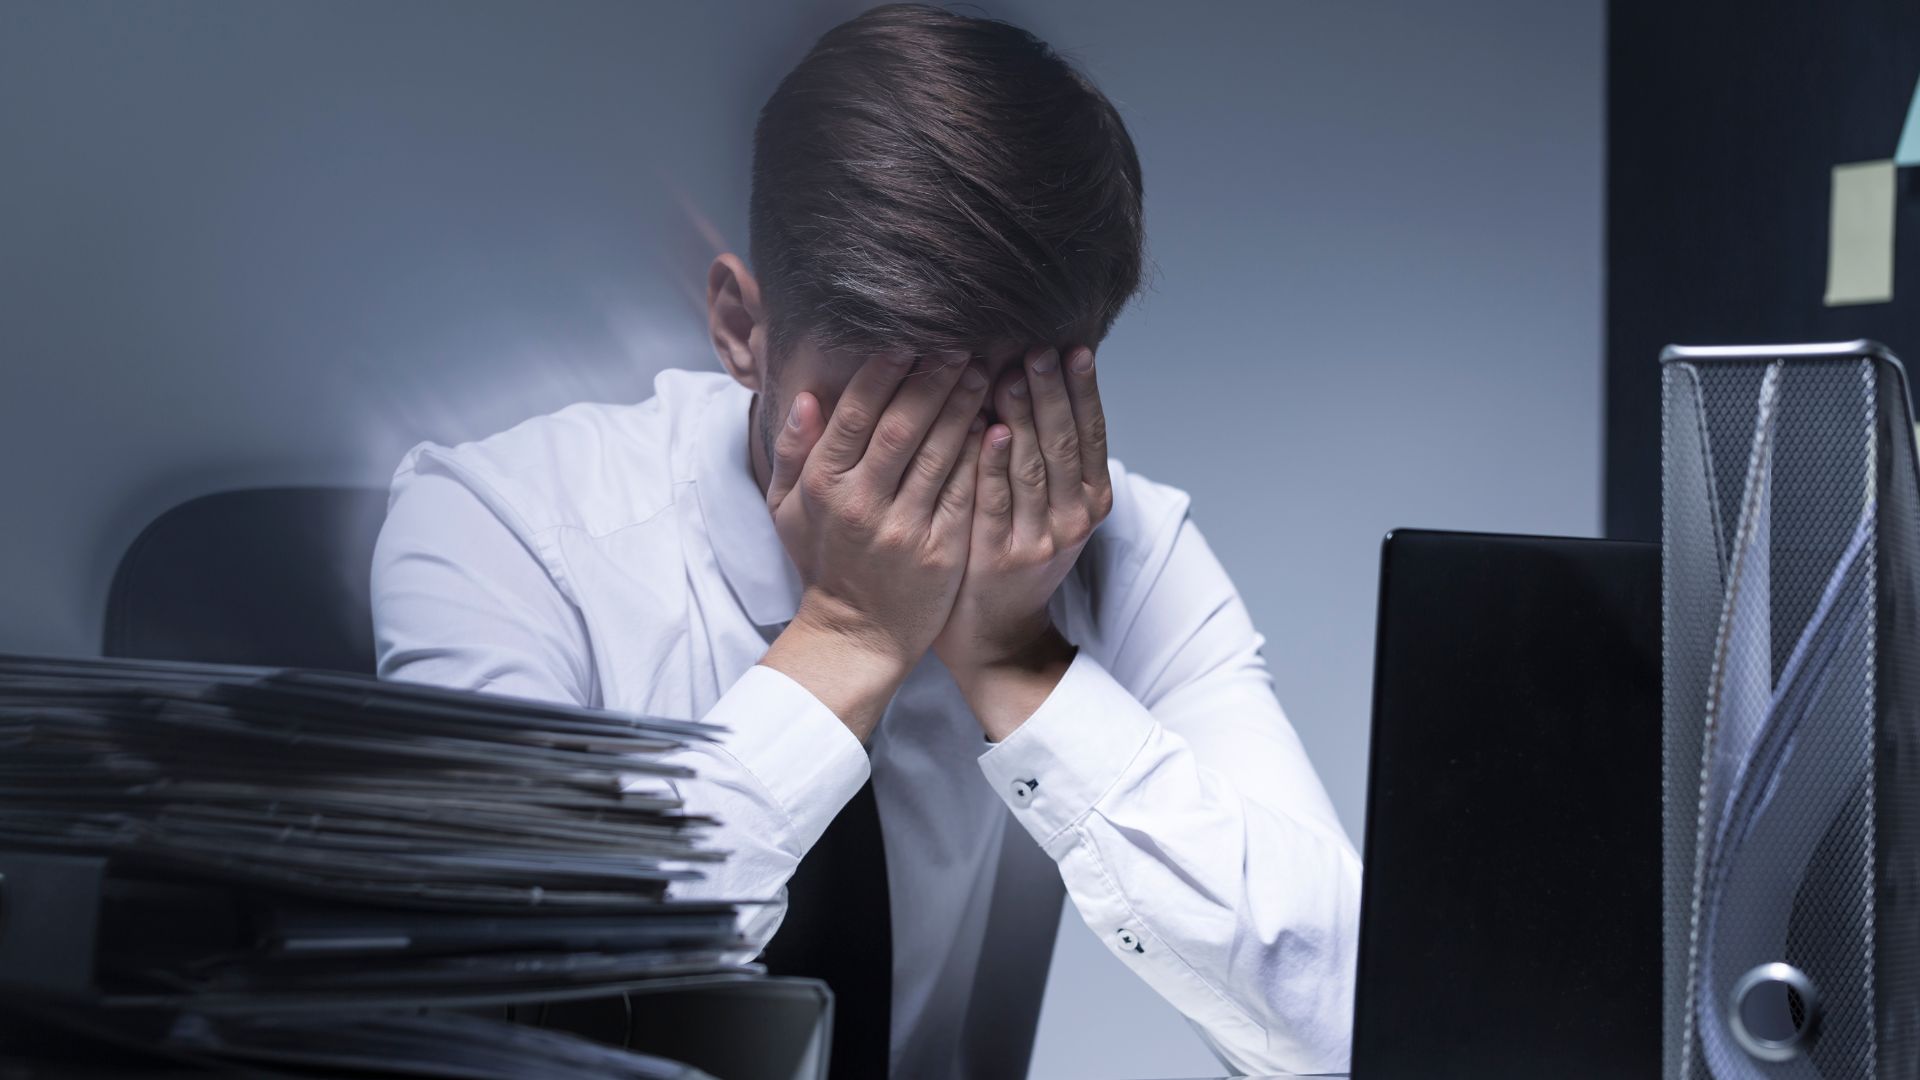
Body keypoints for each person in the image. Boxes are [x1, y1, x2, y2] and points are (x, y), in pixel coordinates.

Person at [370, 5, 1360, 1076]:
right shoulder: (502, 531)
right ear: (743, 331)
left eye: (993, 424)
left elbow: (1351, 1027)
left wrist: (1020, 663)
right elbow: (507, 1009)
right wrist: (845, 638)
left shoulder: (1126, 548)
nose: (930, 489)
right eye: (876, 420)